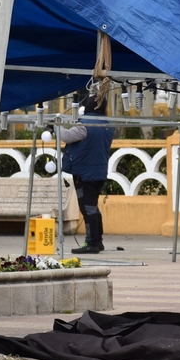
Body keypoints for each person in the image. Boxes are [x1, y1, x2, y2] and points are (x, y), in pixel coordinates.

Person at [56, 90, 114, 254]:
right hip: (99, 173)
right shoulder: (108, 126)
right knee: (93, 207)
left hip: (84, 174)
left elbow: (66, 136)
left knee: (88, 208)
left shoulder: (84, 125)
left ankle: (92, 243)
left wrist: (55, 126)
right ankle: (98, 241)